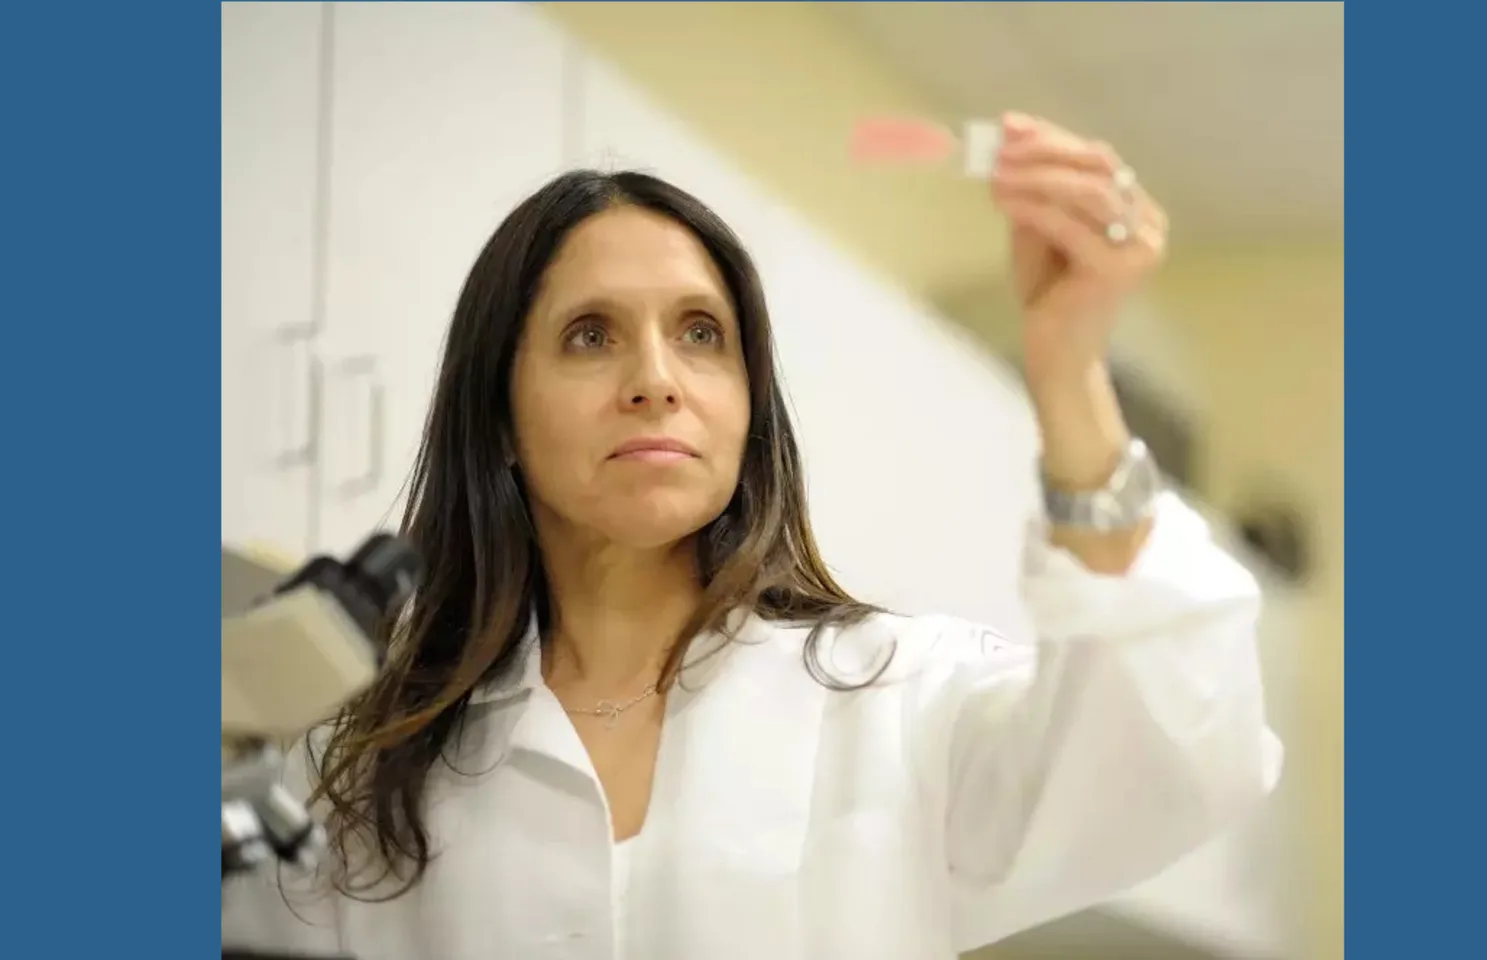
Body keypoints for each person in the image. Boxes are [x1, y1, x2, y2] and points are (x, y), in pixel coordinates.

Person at [222, 112, 1282, 960]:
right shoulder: (360, 768)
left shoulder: (895, 698)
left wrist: (1068, 367)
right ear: (499, 415)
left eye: (701, 334)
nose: (656, 379)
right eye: (590, 335)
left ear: (747, 404)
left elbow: (1177, 757)